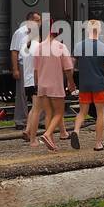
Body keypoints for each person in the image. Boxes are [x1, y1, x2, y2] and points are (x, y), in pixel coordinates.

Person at [26, 19, 74, 152]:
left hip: (42, 86)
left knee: (48, 113)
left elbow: (35, 70)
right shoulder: (60, 47)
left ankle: (51, 143)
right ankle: (47, 135)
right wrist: (71, 83)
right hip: (56, 86)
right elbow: (68, 68)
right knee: (59, 112)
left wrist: (37, 84)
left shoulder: (39, 47)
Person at [71, 19, 104, 151]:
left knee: (82, 112)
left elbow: (71, 66)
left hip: (84, 85)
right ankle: (98, 144)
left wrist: (70, 81)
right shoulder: (103, 48)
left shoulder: (79, 46)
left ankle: (76, 131)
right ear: (99, 30)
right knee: (100, 113)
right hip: (99, 85)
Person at [9, 11, 40, 129]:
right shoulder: (20, 33)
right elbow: (14, 51)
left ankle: (38, 119)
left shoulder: (36, 33)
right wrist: (15, 69)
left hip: (34, 65)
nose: (39, 23)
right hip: (23, 64)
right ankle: (21, 120)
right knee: (22, 93)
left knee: (37, 92)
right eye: (37, 20)